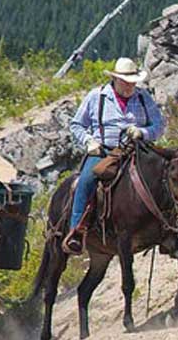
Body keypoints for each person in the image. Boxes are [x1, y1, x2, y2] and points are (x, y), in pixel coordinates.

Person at [66, 58, 165, 243]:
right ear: (115, 80)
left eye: (133, 83)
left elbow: (159, 125)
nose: (130, 87)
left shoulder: (144, 97)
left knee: (166, 174)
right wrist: (89, 142)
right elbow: (77, 124)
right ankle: (76, 229)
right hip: (104, 152)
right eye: (126, 82)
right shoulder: (97, 96)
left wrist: (142, 132)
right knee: (86, 180)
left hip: (137, 150)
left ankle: (171, 227)